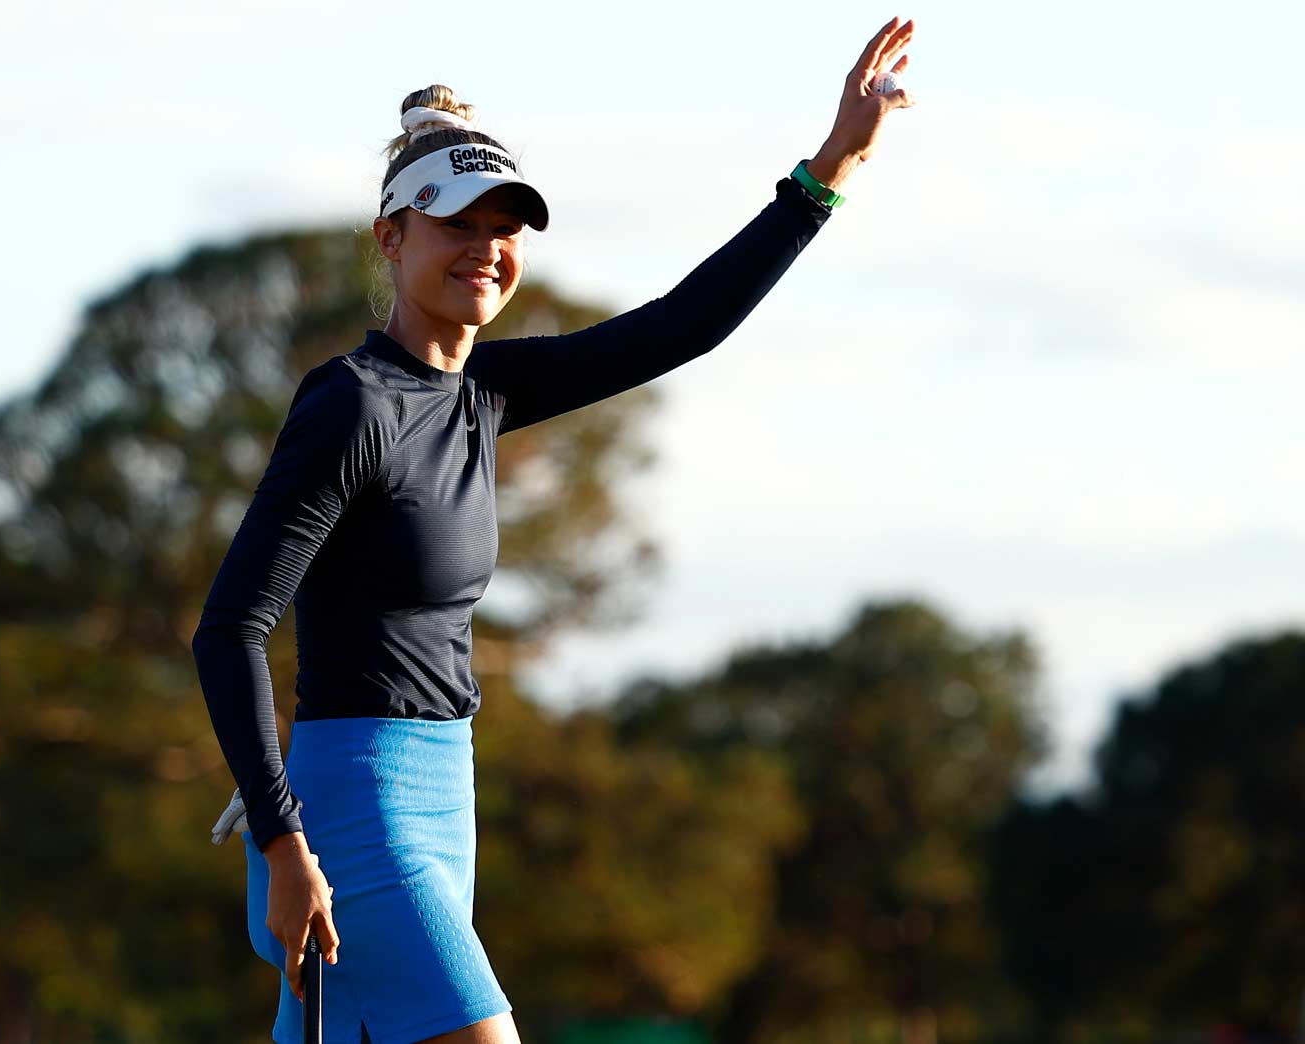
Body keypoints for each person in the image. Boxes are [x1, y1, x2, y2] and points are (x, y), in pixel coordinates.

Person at [191, 18, 915, 1044]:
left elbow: (678, 326)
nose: (485, 251)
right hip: (348, 813)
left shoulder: (481, 392)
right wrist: (279, 842)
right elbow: (228, 627)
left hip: (445, 790)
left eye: (504, 230)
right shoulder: (351, 405)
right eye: (454, 226)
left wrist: (830, 166)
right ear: (391, 238)